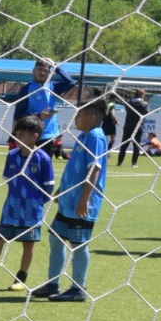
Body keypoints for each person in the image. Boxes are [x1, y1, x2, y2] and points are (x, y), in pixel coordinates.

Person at [31, 100, 110, 302]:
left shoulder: (95, 137)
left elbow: (95, 168)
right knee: (55, 238)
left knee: (78, 243)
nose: (76, 118)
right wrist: (62, 189)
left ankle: (78, 289)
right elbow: (76, 167)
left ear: (91, 117)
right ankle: (52, 284)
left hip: (82, 203)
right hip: (69, 199)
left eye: (79, 114)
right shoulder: (84, 135)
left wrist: (84, 199)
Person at [0, 115, 53, 292]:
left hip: (31, 210)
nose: (16, 137)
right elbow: (8, 180)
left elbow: (48, 187)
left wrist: (36, 203)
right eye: (16, 133)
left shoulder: (43, 158)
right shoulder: (12, 156)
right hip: (11, 208)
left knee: (28, 244)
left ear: (34, 136)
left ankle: (20, 279)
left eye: (21, 134)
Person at [10, 58, 75, 160]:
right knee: (28, 167)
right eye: (39, 69)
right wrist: (39, 116)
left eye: (45, 70)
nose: (42, 73)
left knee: (44, 167)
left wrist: (55, 65)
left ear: (50, 73)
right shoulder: (26, 89)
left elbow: (71, 82)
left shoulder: (53, 87)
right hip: (31, 135)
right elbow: (18, 114)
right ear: (33, 71)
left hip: (48, 136)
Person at [118, 88, 150, 167]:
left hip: (128, 125)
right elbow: (146, 113)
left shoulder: (130, 102)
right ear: (143, 95)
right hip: (138, 126)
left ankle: (119, 162)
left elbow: (126, 110)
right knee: (136, 145)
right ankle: (134, 163)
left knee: (124, 145)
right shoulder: (145, 104)